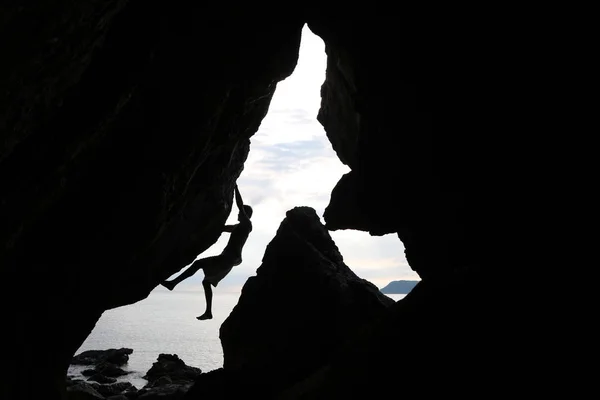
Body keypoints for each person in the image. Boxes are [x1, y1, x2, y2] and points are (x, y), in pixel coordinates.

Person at [161, 184, 253, 320]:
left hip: (229, 258)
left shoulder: (247, 224)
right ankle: (208, 312)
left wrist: (235, 187)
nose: (238, 214)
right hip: (229, 258)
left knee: (198, 263)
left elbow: (240, 205)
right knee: (206, 282)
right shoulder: (238, 227)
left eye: (241, 213)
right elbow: (222, 228)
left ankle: (173, 283)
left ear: (246, 215)